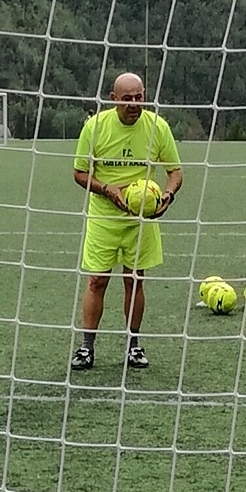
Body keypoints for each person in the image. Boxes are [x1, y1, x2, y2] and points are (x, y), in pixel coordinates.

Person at [71, 72, 183, 371]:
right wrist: (108, 189)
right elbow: (79, 173)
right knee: (96, 281)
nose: (134, 104)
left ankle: (134, 346)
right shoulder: (95, 127)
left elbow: (175, 171)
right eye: (127, 99)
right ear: (113, 99)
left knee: (134, 281)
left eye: (139, 97)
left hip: (140, 221)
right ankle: (86, 348)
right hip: (104, 218)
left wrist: (167, 196)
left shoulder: (158, 127)